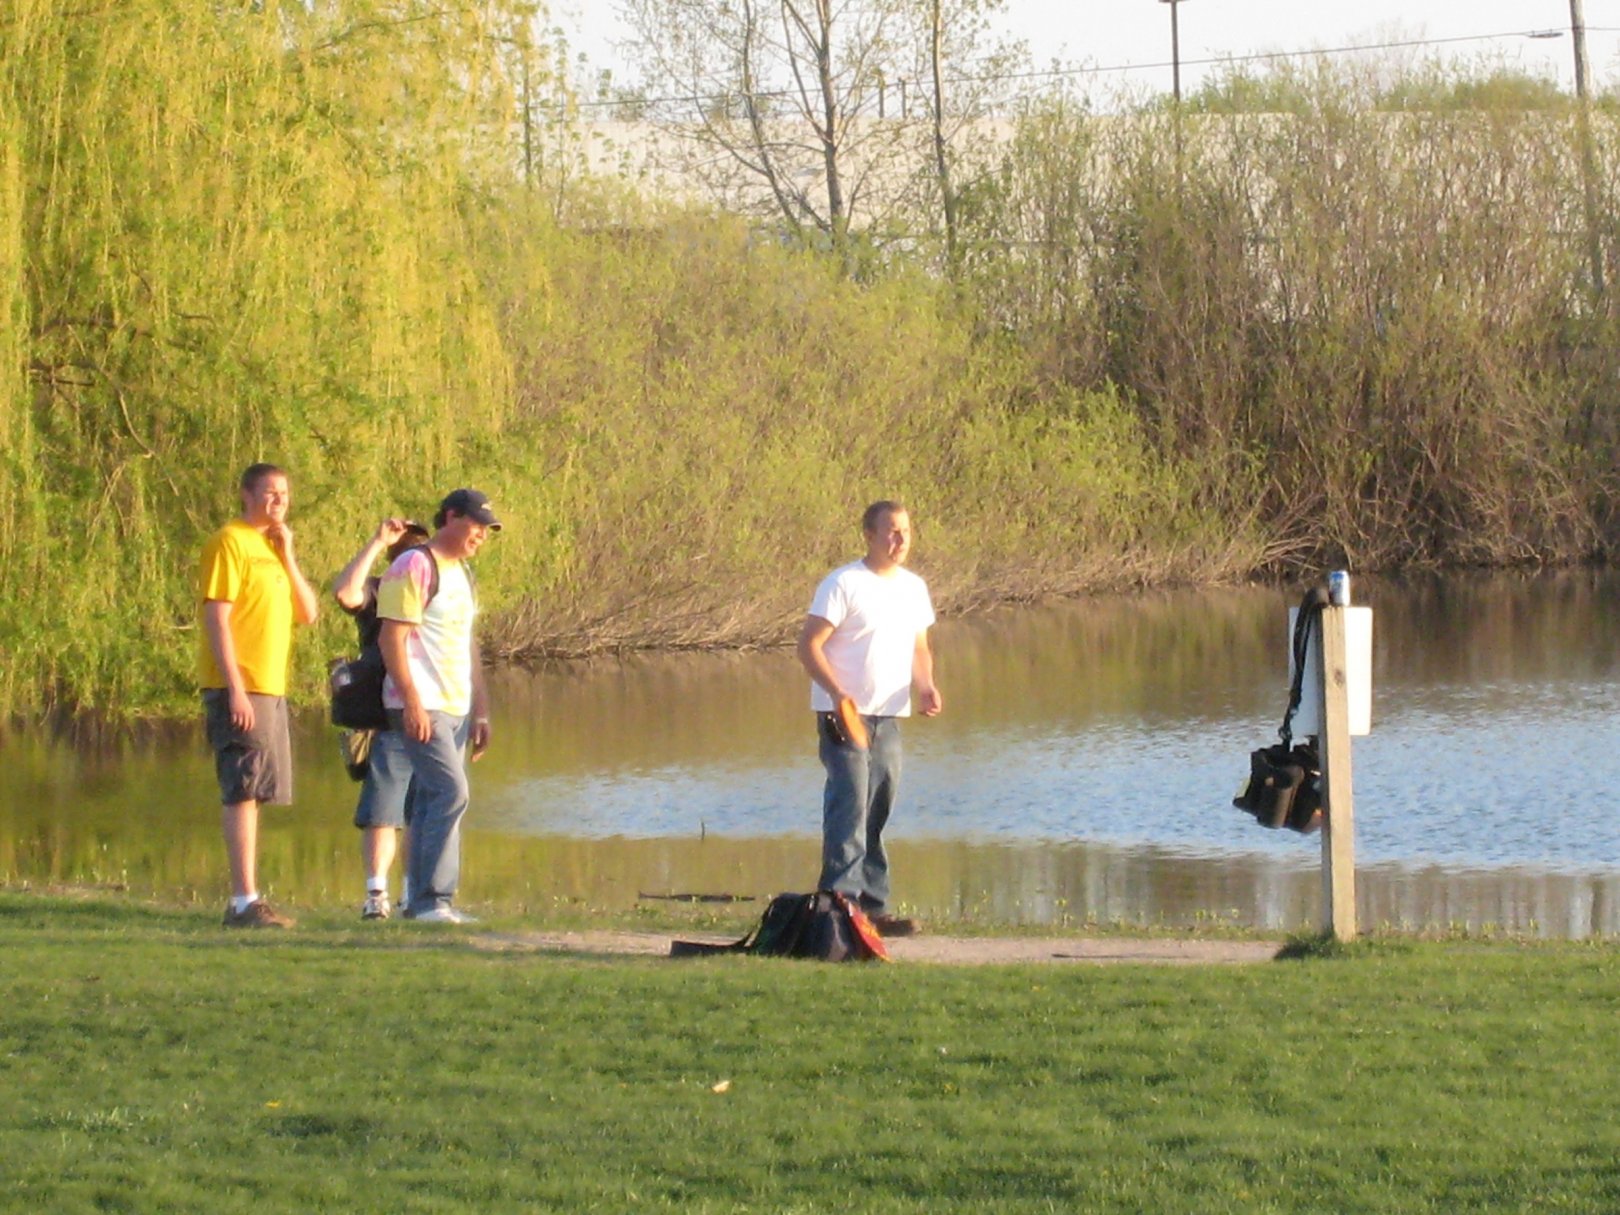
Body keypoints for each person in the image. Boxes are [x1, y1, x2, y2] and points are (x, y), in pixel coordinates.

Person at [796, 500, 942, 938]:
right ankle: (839, 909)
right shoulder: (843, 583)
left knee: (879, 806)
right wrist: (838, 693)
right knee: (850, 806)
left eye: (906, 531)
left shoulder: (914, 588)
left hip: (888, 714)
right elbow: (809, 646)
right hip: (844, 714)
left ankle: (874, 909)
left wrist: (927, 685)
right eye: (891, 531)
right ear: (870, 535)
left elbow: (919, 647)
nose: (900, 540)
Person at [199, 462, 320, 928]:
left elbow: (308, 613)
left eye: (284, 494)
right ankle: (243, 901)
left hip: (270, 686)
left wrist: (288, 554)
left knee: (257, 789)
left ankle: (251, 897)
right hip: (241, 687)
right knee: (241, 787)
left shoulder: (270, 548)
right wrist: (234, 689)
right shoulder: (229, 541)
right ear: (246, 495)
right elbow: (217, 616)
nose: (278, 502)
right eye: (269, 493)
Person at [377, 488, 499, 923]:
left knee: (430, 798)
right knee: (451, 792)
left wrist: (480, 709)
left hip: (455, 706)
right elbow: (391, 637)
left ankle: (419, 901)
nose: (481, 535)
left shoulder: (462, 573)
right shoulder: (414, 564)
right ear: (450, 517)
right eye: (475, 525)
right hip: (419, 702)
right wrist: (411, 702)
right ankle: (433, 899)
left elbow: (466, 643)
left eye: (487, 529)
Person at [331, 517, 430, 919]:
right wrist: (376, 541)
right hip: (388, 716)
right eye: (407, 549)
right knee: (382, 811)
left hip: (436, 713)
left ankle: (412, 894)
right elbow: (345, 592)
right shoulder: (380, 590)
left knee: (420, 812)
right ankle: (377, 897)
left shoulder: (437, 591)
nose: (417, 556)